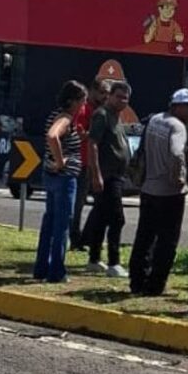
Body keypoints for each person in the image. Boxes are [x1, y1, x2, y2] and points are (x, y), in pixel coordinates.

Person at [128, 88, 188, 295]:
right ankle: (155, 285)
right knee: (167, 241)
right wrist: (179, 177)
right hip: (169, 192)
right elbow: (176, 151)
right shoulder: (177, 126)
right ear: (178, 106)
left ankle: (137, 281)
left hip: (148, 188)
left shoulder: (155, 120)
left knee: (144, 236)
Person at [34, 80, 87, 283]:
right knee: (61, 225)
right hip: (64, 178)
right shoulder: (64, 119)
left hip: (52, 176)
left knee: (50, 221)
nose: (83, 106)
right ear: (73, 101)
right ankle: (56, 271)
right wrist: (60, 161)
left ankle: (42, 267)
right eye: (82, 101)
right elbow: (52, 136)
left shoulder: (58, 116)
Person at [85, 80, 133, 278]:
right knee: (117, 218)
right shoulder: (102, 115)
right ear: (110, 96)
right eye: (118, 96)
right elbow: (92, 144)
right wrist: (96, 174)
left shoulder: (117, 117)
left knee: (101, 217)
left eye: (125, 98)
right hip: (106, 176)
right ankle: (114, 262)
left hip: (118, 176)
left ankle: (94, 259)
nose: (122, 101)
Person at [70, 78, 110, 251]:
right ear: (92, 91)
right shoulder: (84, 109)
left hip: (94, 163)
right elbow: (78, 132)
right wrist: (93, 135)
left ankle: (86, 237)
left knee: (101, 203)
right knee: (77, 204)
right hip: (81, 162)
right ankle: (75, 239)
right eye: (102, 93)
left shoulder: (102, 111)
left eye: (107, 94)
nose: (104, 97)